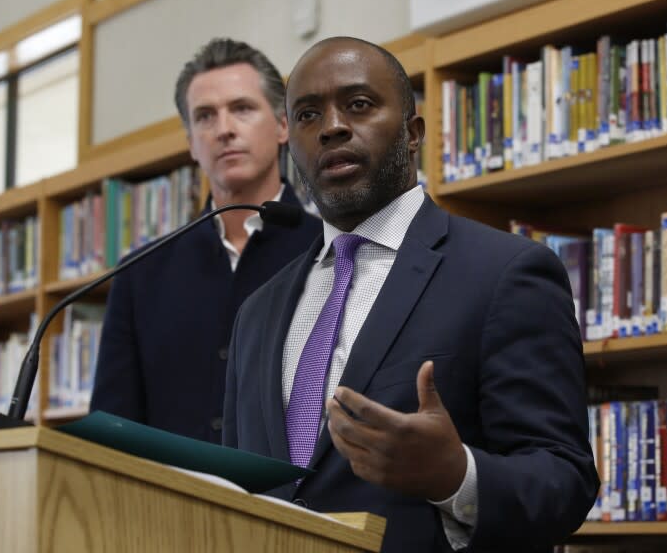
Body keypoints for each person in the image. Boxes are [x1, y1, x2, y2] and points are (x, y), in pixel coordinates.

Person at [223, 37, 599, 552]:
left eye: (358, 105)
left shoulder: (506, 272)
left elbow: (565, 482)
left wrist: (455, 476)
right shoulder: (258, 311)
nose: (332, 127)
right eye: (308, 115)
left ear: (413, 132)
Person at [90, 38, 321, 443]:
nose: (224, 129)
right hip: (167, 503)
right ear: (191, 145)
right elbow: (113, 429)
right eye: (205, 117)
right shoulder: (140, 273)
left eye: (242, 109)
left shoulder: (332, 251)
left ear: (283, 125)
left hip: (291, 503)